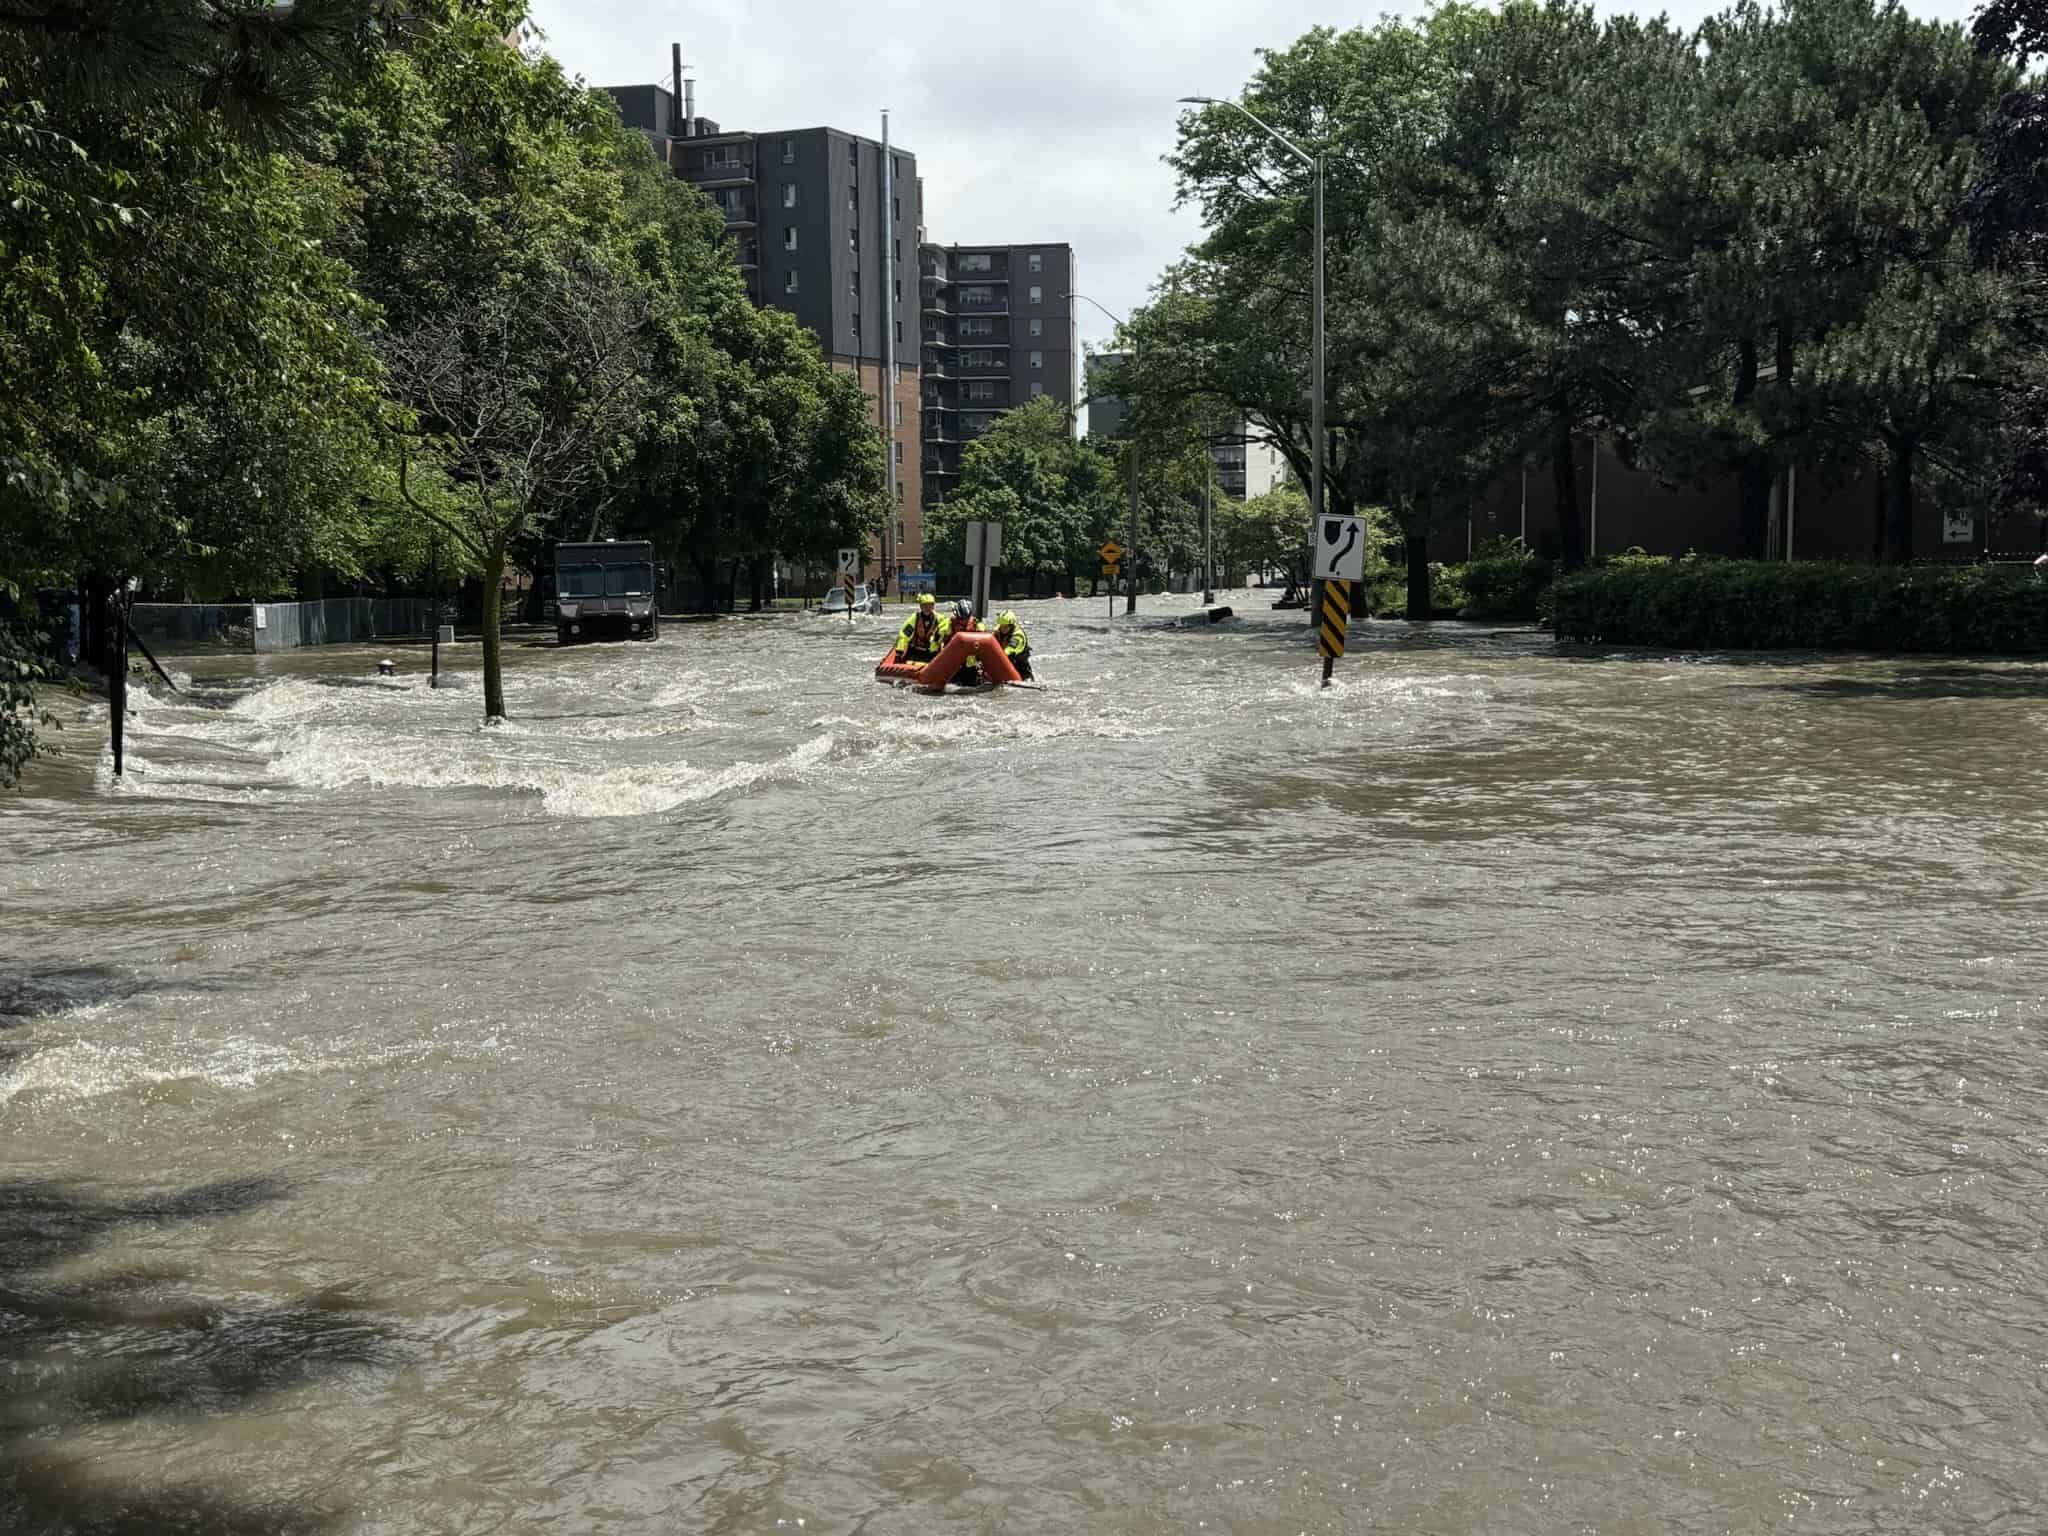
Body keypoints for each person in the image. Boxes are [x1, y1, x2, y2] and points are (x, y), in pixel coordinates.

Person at [938, 599, 984, 685]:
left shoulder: (976, 624)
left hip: (971, 661)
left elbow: (983, 643)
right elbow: (940, 638)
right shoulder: (949, 623)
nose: (964, 621)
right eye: (961, 619)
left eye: (966, 618)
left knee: (971, 680)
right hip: (953, 658)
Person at [892, 592, 942, 664]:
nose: (927, 608)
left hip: (932, 654)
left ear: (933, 606)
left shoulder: (940, 619)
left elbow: (946, 632)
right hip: (915, 653)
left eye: (930, 605)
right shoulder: (915, 618)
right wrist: (899, 653)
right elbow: (903, 635)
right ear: (921, 606)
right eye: (925, 605)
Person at [993, 610, 1032, 680]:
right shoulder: (998, 630)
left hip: (1020, 669)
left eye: (1005, 627)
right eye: (1001, 626)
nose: (1002, 629)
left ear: (1011, 626)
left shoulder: (1018, 636)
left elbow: (1008, 651)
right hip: (1007, 664)